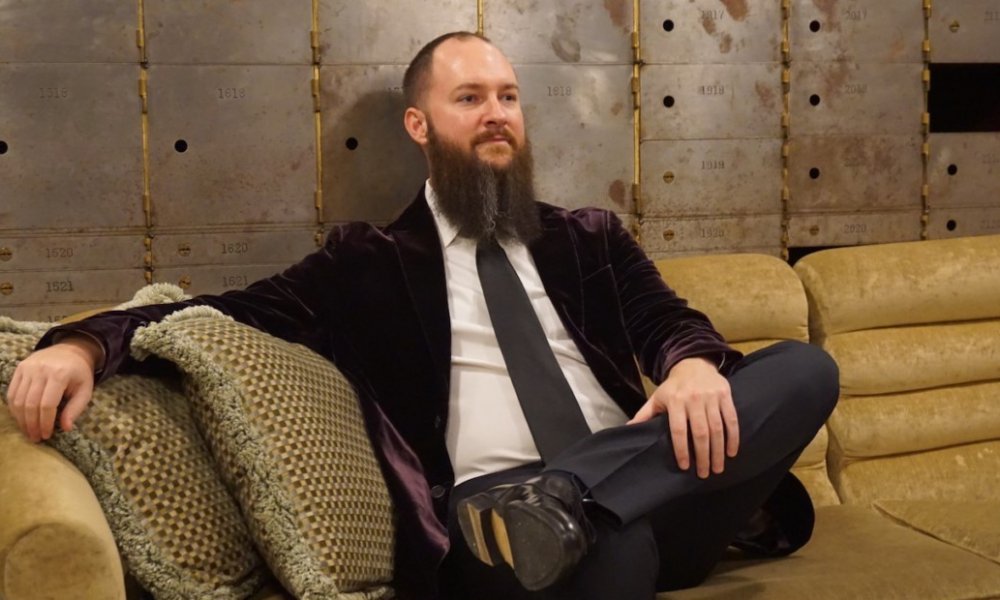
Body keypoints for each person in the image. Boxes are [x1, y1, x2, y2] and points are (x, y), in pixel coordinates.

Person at [6, 31, 838, 600]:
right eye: (469, 97)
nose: (497, 113)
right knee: (603, 552)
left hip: (657, 487)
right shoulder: (363, 263)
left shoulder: (590, 237)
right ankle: (564, 511)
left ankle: (572, 492)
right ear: (420, 124)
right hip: (489, 516)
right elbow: (213, 316)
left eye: (508, 96)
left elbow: (666, 320)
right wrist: (82, 346)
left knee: (804, 369)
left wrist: (689, 363)